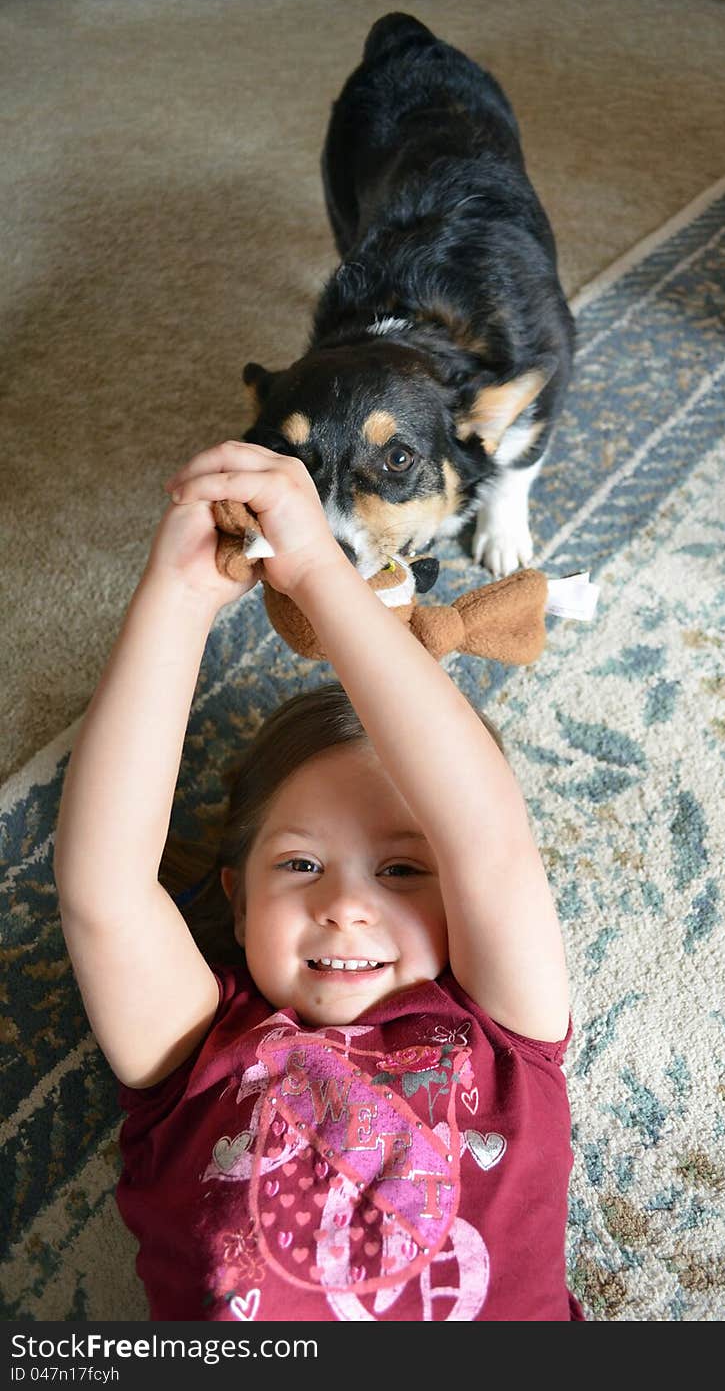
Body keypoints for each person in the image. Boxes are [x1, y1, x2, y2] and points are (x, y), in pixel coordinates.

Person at [54, 440, 584, 1322]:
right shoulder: (194, 1054)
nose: (344, 906)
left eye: (404, 870)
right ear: (235, 895)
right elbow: (103, 890)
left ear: (460, 890)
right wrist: (178, 597)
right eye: (300, 865)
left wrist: (320, 574)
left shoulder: (508, 1035)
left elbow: (488, 838)